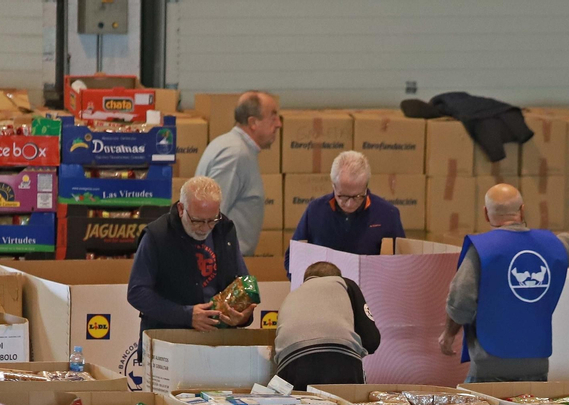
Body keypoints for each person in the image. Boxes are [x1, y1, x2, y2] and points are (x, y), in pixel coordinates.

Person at [439, 184, 569, 384]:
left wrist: (448, 335)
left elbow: (460, 301)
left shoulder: (483, 250)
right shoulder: (551, 245)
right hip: (536, 361)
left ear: (486, 214)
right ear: (522, 210)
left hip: (491, 362)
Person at [126, 176, 251, 332]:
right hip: (168, 339)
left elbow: (243, 282)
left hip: (218, 339)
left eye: (212, 220)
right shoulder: (157, 236)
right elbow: (137, 292)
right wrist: (186, 316)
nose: (205, 228)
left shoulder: (224, 229)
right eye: (197, 221)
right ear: (181, 209)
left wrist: (243, 316)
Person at [285, 150, 406, 270]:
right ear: (333, 186)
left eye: (358, 196)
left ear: (366, 186)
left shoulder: (387, 214)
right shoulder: (315, 211)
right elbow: (292, 258)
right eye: (343, 196)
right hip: (325, 286)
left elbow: (403, 262)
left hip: (371, 286)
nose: (350, 204)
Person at [195, 91, 280, 257]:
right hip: (224, 268)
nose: (279, 124)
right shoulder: (235, 155)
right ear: (253, 122)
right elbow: (210, 215)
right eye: (273, 117)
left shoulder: (232, 147)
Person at [271, 261, 380, 389]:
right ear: (336, 277)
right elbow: (372, 340)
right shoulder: (344, 283)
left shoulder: (290, 297)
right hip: (340, 361)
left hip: (290, 368)